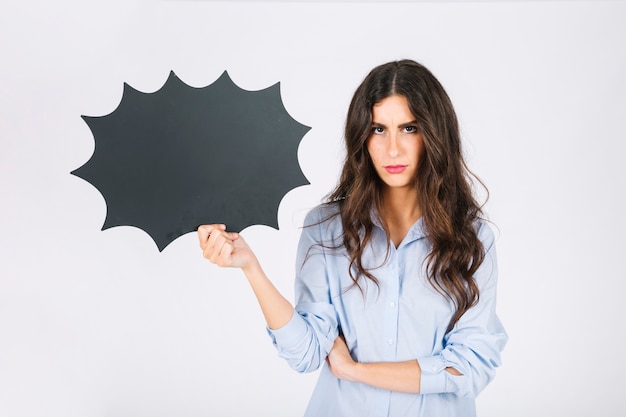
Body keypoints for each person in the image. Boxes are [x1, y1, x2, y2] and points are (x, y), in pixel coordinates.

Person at [198, 59, 507, 417]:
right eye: (378, 129)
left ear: (435, 135)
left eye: (409, 128)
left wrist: (356, 371)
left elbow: (471, 364)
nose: (393, 148)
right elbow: (307, 352)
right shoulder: (326, 229)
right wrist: (250, 267)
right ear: (362, 136)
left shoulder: (473, 240)